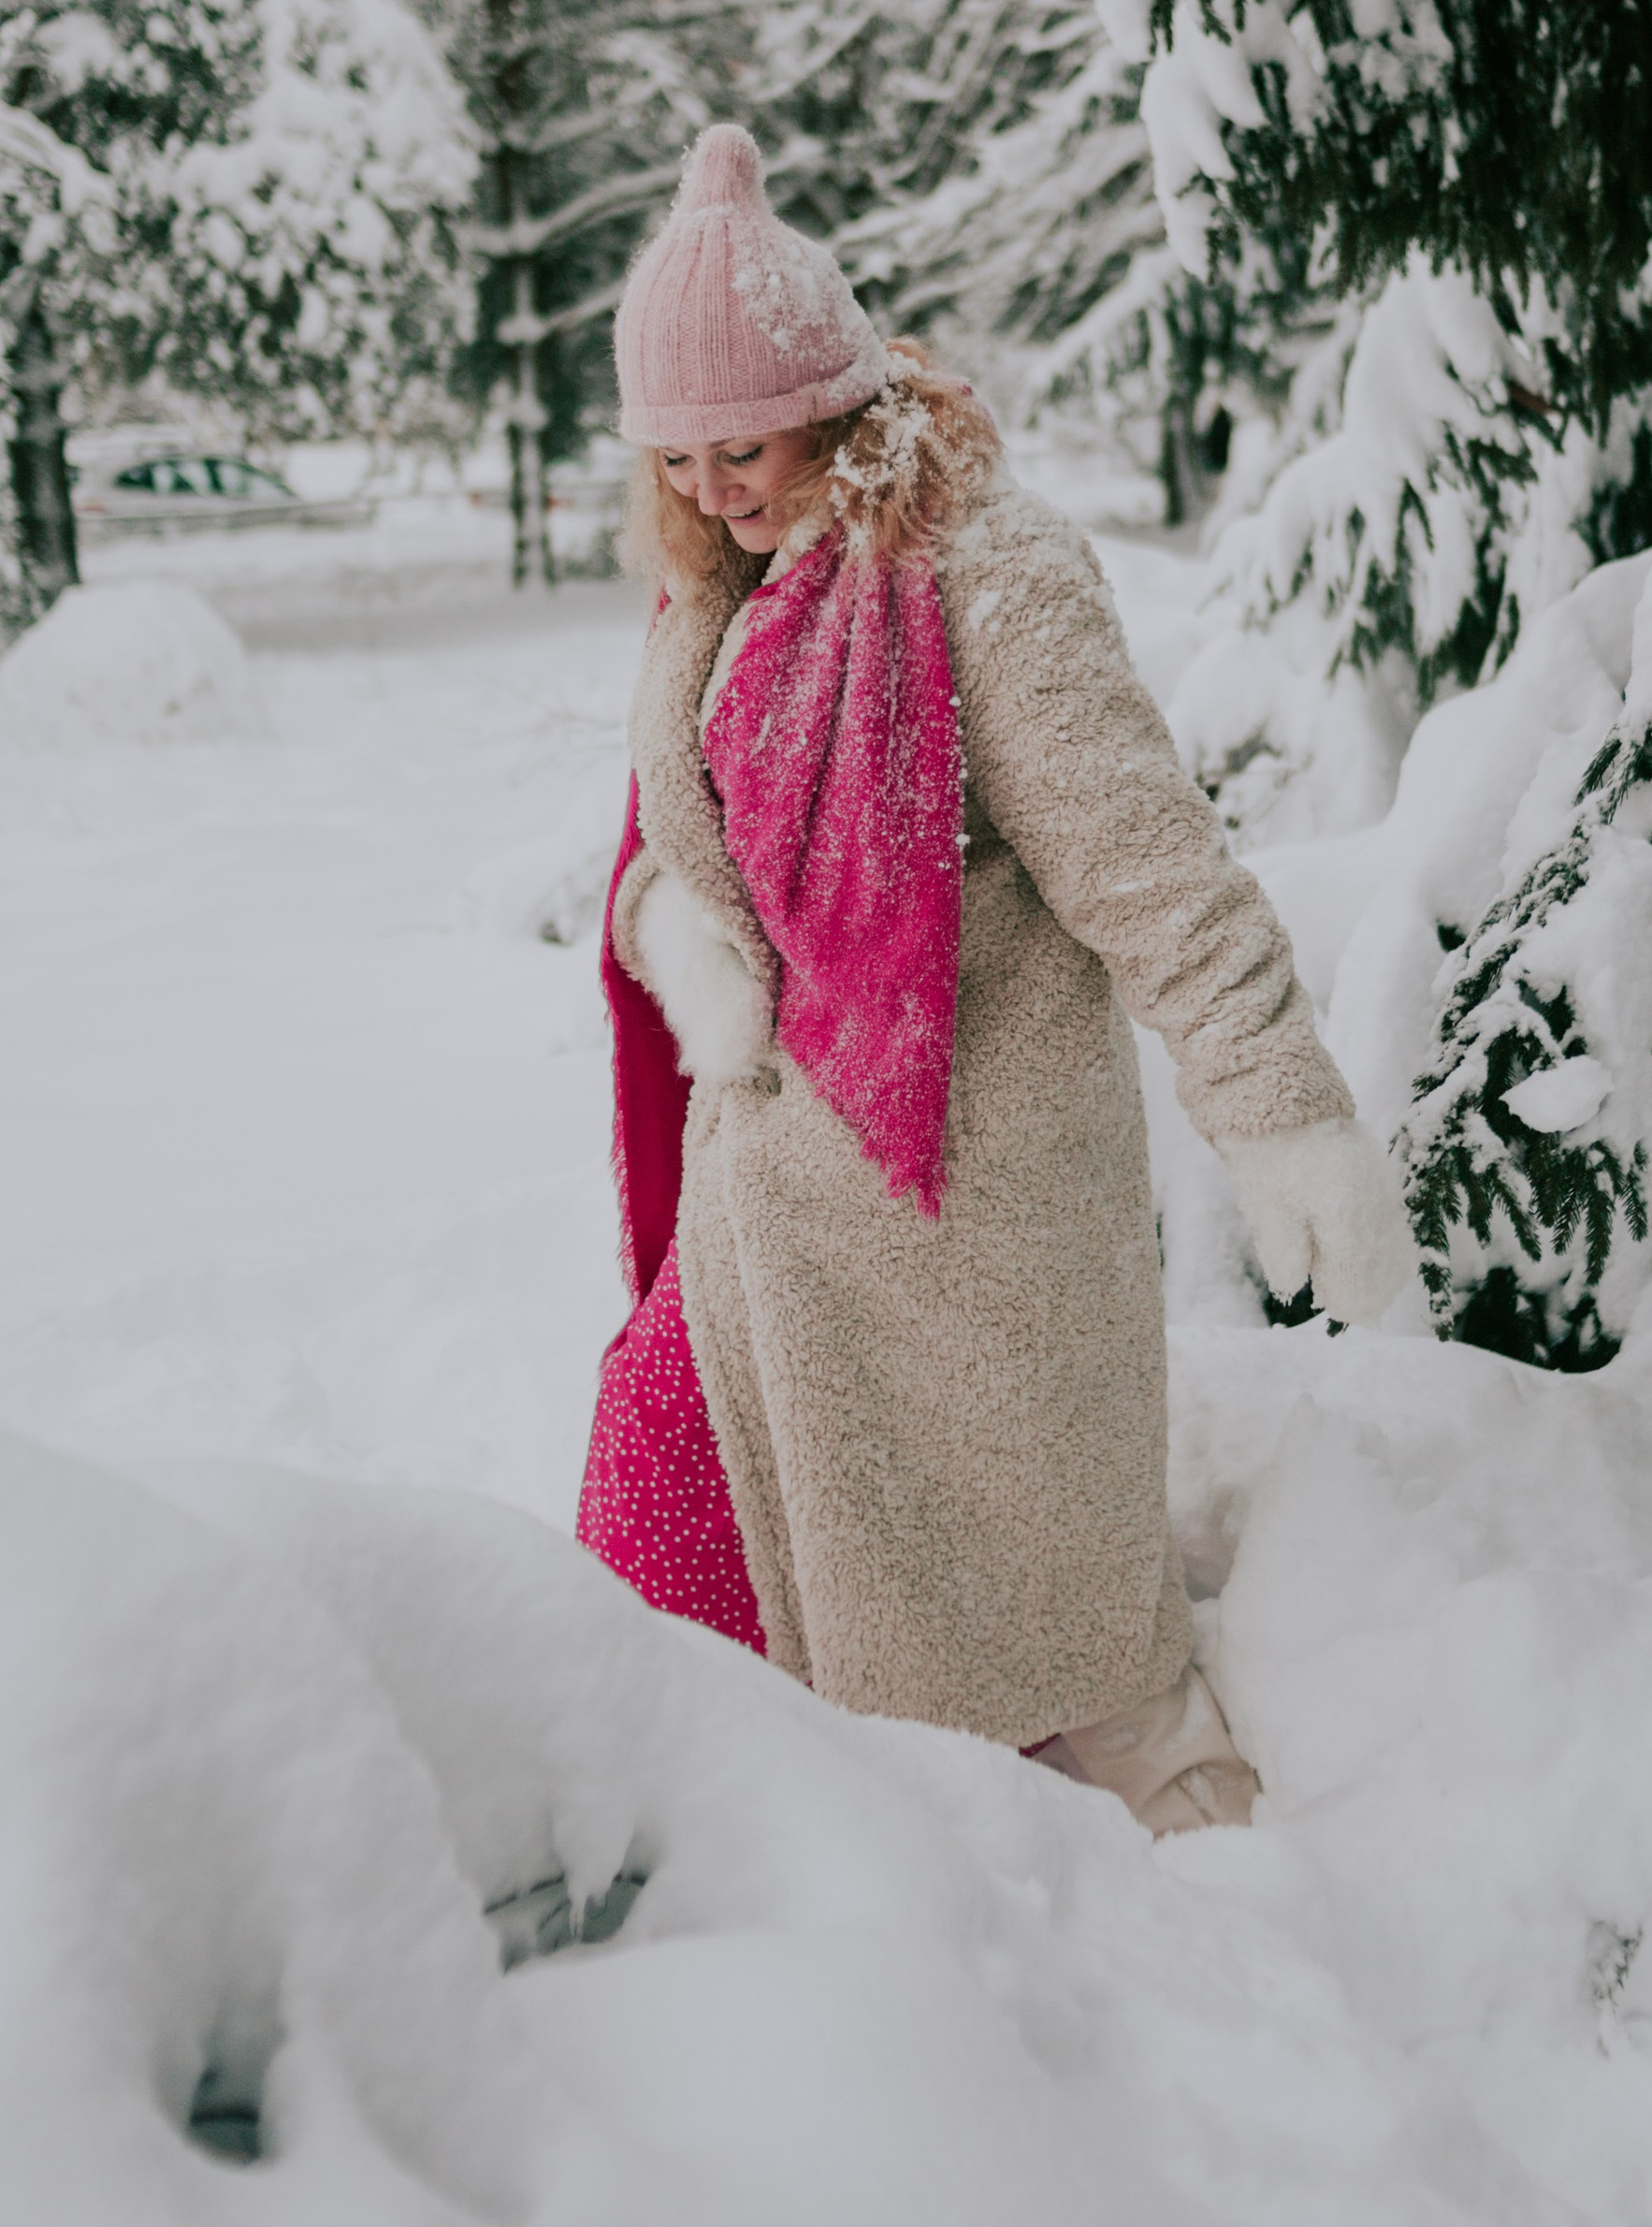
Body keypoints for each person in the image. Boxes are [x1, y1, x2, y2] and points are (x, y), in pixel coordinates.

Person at [577, 123, 1414, 1833]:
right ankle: (754, 1827)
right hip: (780, 1211)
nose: (717, 487)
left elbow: (1151, 865)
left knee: (1051, 1598)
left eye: (746, 443)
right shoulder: (721, 595)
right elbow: (691, 842)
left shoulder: (981, 579)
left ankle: (1164, 1828)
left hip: (969, 1200)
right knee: (661, 1485)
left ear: (837, 399)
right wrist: (678, 928)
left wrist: (1280, 1114)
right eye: (678, 459)